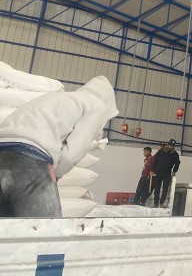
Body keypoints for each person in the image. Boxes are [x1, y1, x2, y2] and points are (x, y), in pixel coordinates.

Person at [0, 75, 117, 217]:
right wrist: (56, 174)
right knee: (44, 228)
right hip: (30, 162)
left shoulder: (60, 99)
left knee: (6, 227)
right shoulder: (98, 106)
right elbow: (73, 152)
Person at [151, 139, 180, 208]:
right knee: (157, 188)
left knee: (165, 189)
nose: (171, 147)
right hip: (158, 172)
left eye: (172, 146)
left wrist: (174, 171)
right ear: (168, 144)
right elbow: (155, 161)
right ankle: (155, 203)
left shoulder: (175, 154)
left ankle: (161, 203)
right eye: (170, 145)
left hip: (167, 173)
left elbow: (177, 163)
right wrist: (153, 170)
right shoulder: (161, 151)